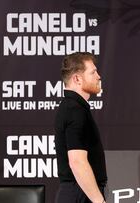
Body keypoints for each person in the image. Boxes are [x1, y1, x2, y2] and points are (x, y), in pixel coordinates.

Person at [54, 52, 107, 203]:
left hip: (79, 192)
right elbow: (77, 162)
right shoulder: (74, 110)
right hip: (80, 194)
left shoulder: (73, 107)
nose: (98, 76)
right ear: (77, 79)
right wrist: (99, 201)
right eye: (93, 72)